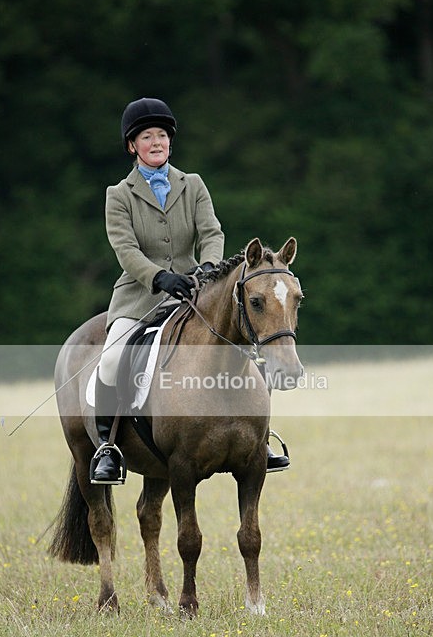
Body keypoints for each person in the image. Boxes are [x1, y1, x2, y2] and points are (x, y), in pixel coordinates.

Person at [91, 96, 289, 483]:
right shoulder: (119, 194)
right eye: (146, 137)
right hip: (139, 296)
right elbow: (125, 249)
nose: (156, 142)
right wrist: (158, 277)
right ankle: (107, 447)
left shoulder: (192, 184)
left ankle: (258, 438)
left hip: (195, 291)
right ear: (132, 146)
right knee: (112, 358)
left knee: (246, 345)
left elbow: (211, 232)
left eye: (161, 135)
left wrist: (210, 266)